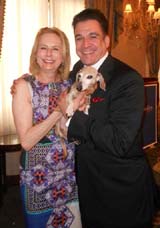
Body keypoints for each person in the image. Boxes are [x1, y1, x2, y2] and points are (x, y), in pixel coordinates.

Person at [58, 8, 159, 228]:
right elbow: (54, 80)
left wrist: (72, 120)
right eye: (79, 38)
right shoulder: (77, 69)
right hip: (88, 184)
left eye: (92, 36)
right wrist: (28, 81)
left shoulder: (128, 80)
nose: (85, 44)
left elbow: (119, 142)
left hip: (122, 191)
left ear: (106, 41)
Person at [12, 27, 82, 228]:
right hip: (37, 180)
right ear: (35, 52)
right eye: (43, 48)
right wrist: (60, 111)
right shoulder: (23, 87)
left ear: (64, 55)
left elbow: (70, 132)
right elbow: (26, 141)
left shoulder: (70, 85)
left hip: (68, 176)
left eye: (55, 49)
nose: (49, 54)